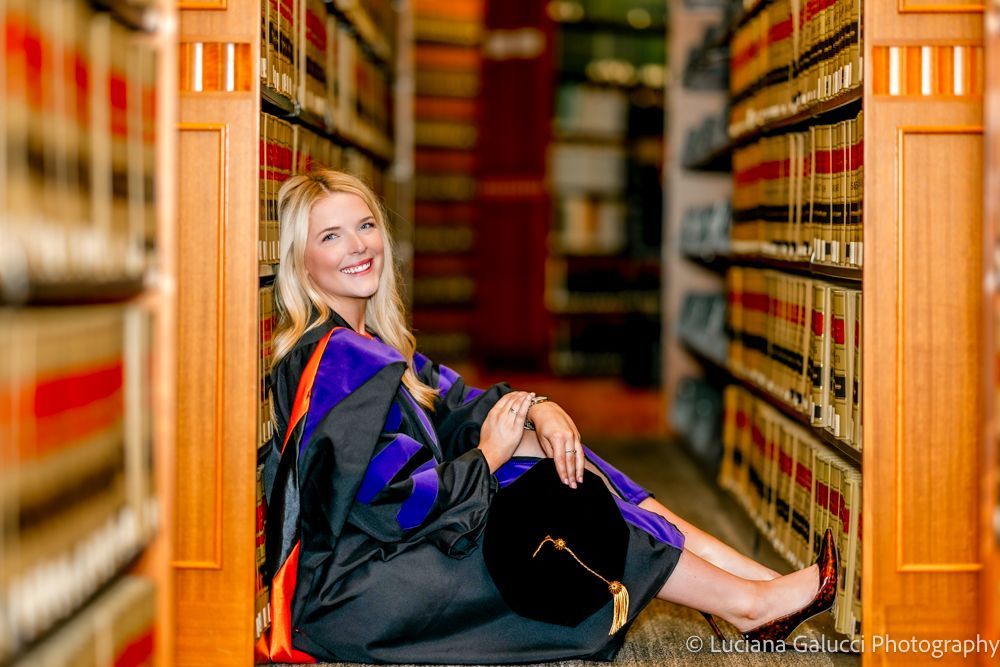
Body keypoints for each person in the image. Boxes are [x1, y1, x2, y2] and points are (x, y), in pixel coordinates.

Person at [257, 169, 838, 664]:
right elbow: (391, 505)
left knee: (550, 452)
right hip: (361, 589)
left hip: (391, 559)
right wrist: (489, 456)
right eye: (330, 236)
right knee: (559, 509)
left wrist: (540, 409)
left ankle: (752, 585)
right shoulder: (336, 362)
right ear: (302, 263)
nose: (357, 246)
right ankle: (750, 604)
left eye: (365, 226)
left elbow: (458, 405)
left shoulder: (372, 344)